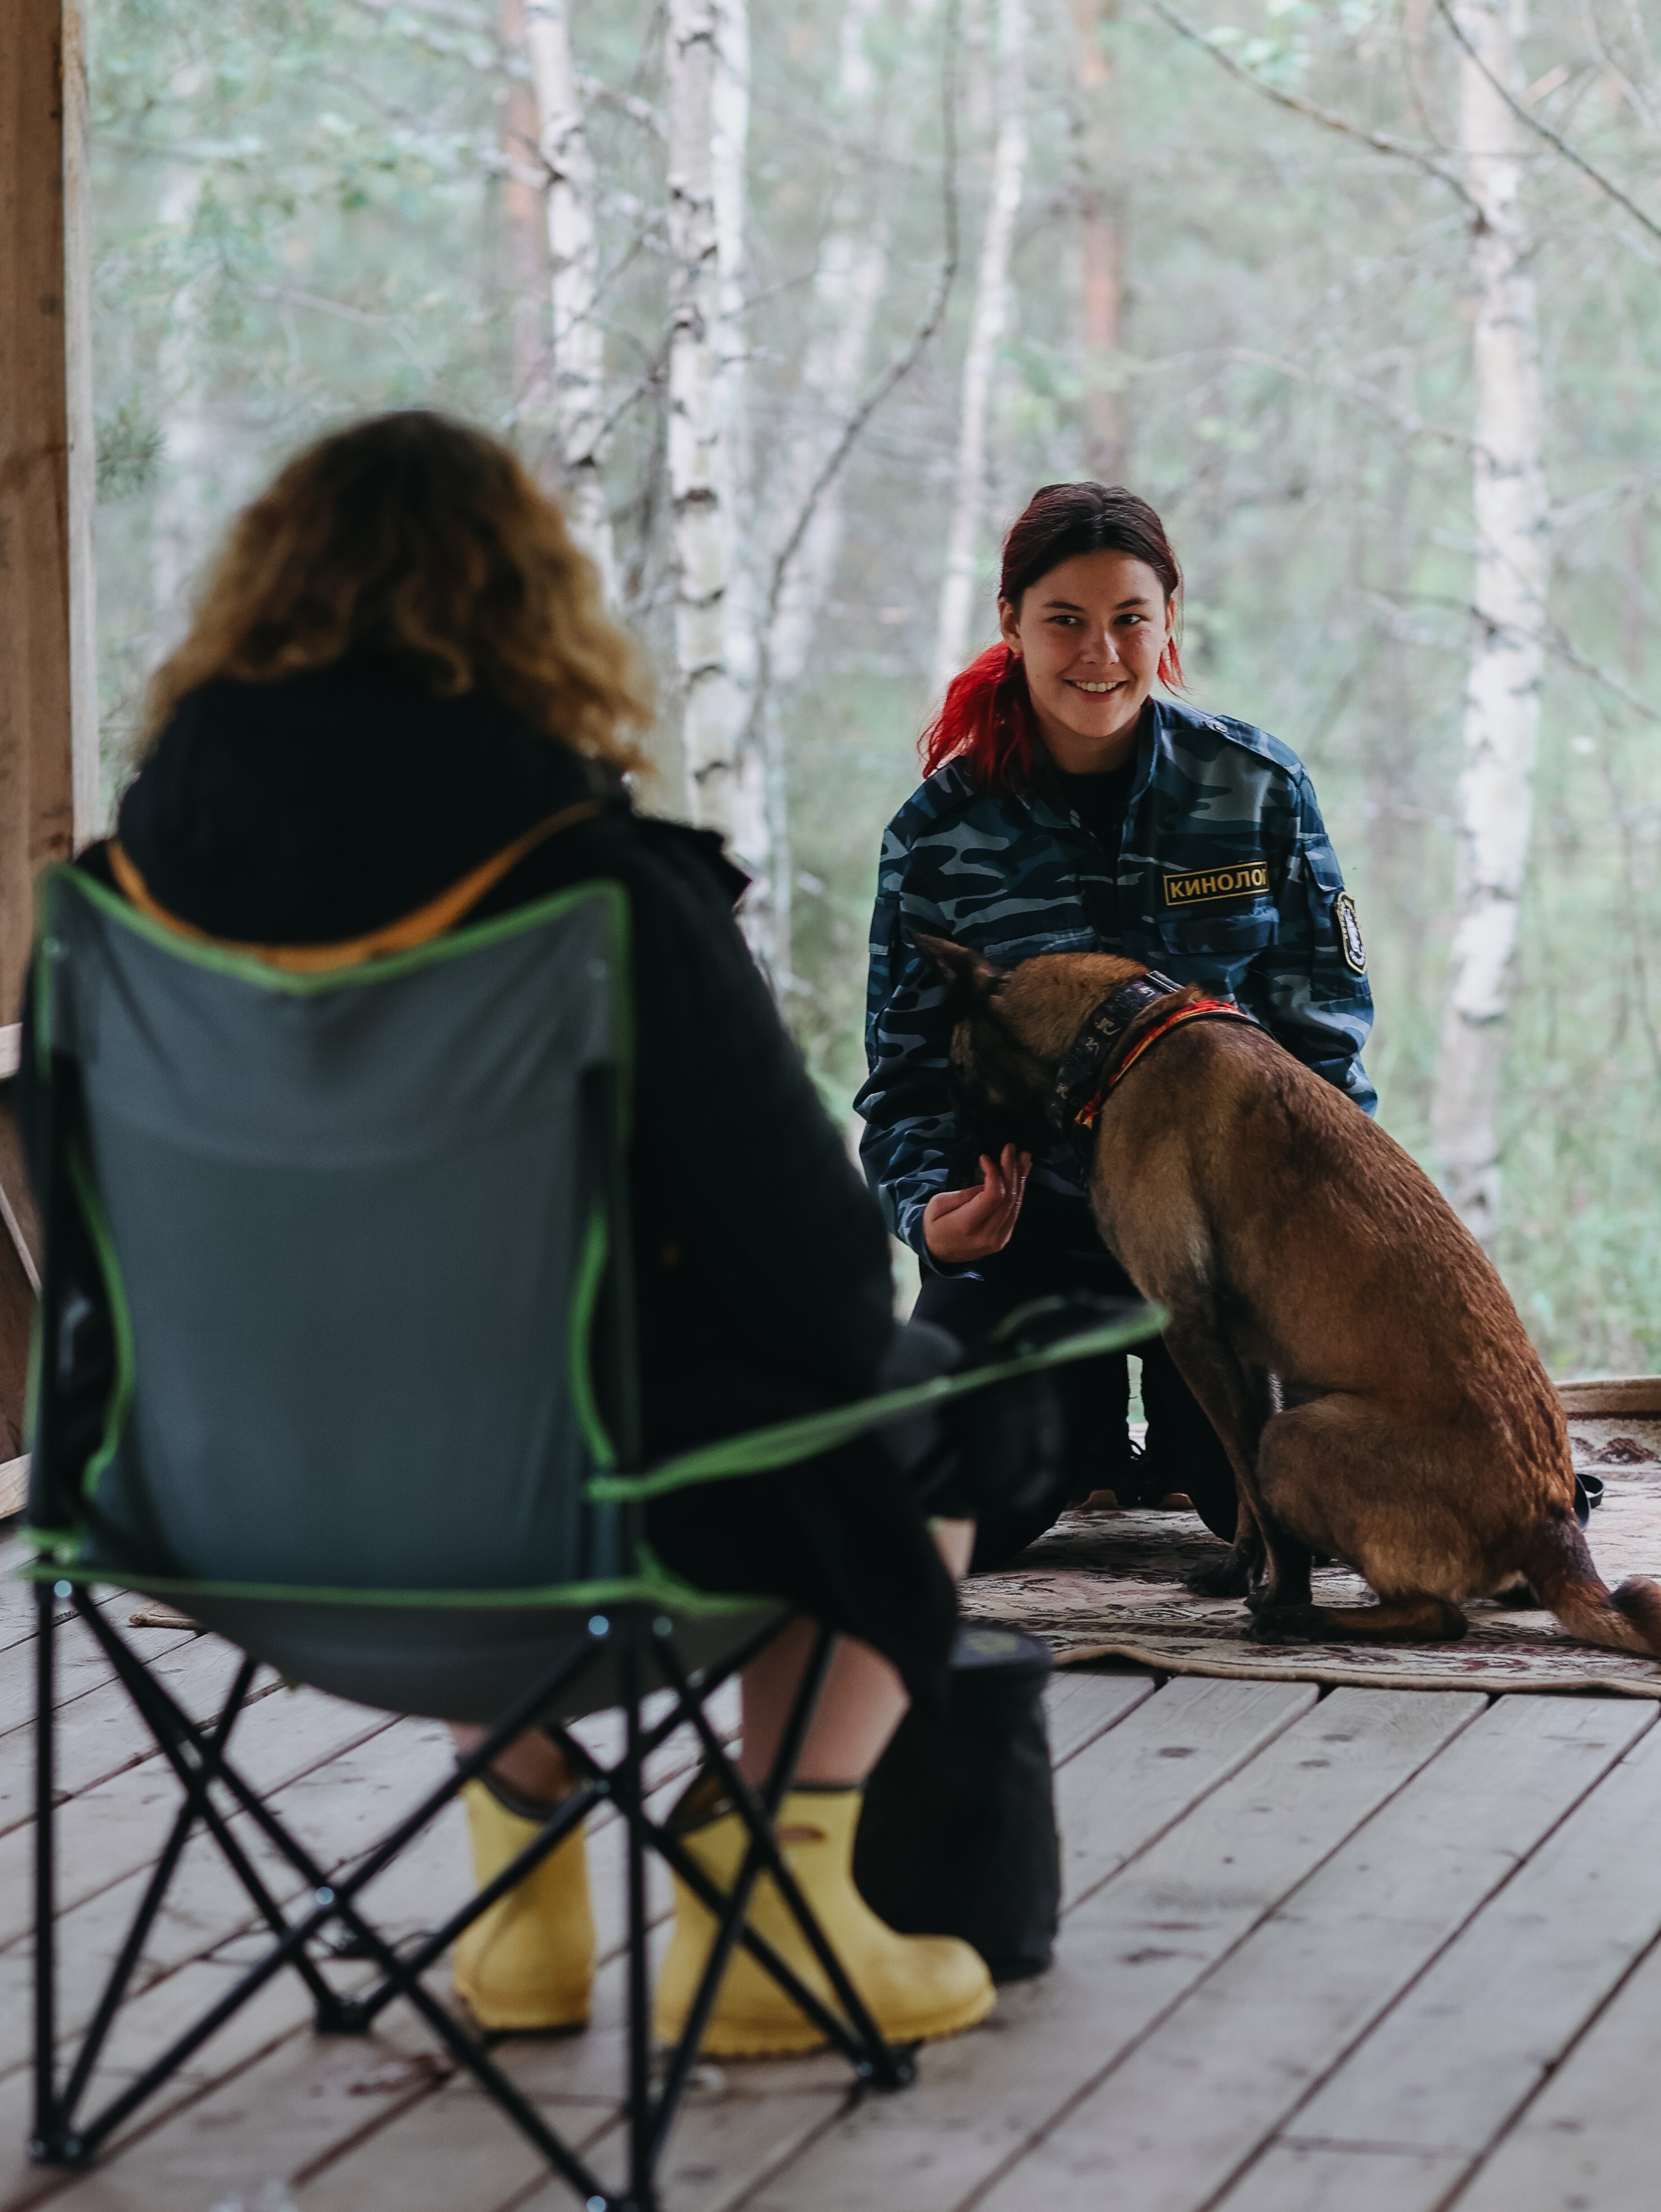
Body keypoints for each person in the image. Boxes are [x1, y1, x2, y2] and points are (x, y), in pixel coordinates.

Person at [45, 411, 997, 2057]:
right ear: (529, 612)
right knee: (939, 1395)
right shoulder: (594, 891)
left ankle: (523, 1910)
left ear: (256, 605)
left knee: (462, 1367)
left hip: (200, 1517)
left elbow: (99, 1252)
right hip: (555, 1538)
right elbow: (823, 1281)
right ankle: (775, 1909)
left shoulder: (117, 904)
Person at [857, 482, 1375, 1562]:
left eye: (1130, 618)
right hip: (1028, 1254)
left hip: (1232, 1261)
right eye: (1065, 620)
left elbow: (1324, 1059)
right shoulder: (937, 835)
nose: (1101, 651)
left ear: (1170, 617)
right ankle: (1082, 1430)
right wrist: (931, 1215)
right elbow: (904, 1087)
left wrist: (1327, 1258)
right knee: (930, 1516)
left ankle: (1164, 1444)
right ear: (1011, 623)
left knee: (1295, 1518)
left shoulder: (1257, 787)